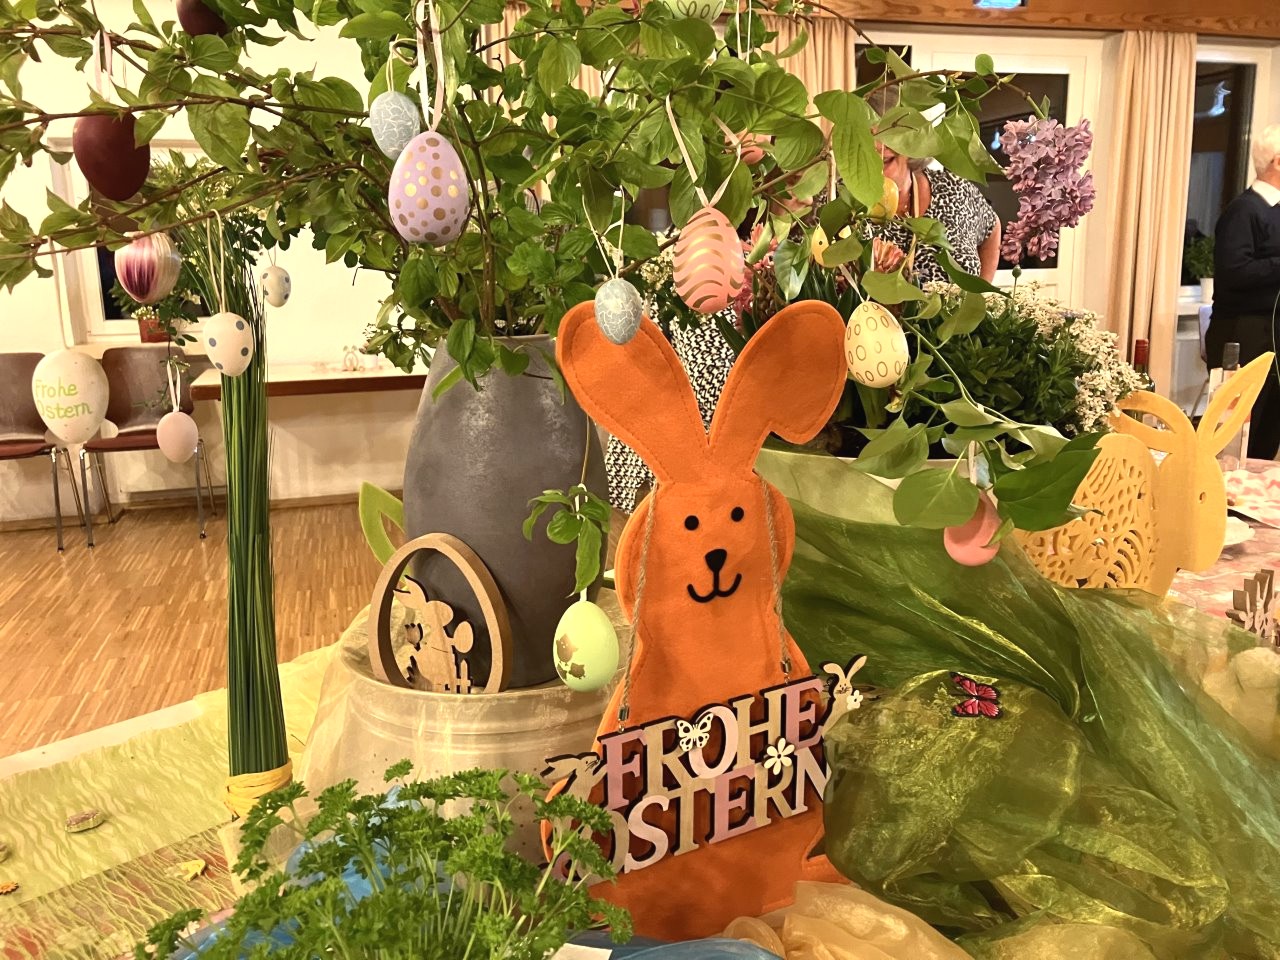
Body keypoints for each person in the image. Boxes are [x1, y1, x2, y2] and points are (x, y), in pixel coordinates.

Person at [867, 92, 1002, 284]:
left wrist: (981, 292)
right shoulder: (840, 200)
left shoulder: (953, 190)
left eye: (889, 133)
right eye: (867, 136)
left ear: (912, 139)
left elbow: (992, 226)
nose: (878, 145)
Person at [1207, 122, 1280, 458]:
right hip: (1243, 335)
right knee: (1236, 439)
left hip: (1272, 335)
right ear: (1277, 162)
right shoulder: (1244, 210)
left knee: (1268, 434)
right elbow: (1234, 273)